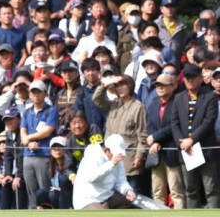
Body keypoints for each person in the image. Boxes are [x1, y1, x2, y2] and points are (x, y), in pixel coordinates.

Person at [170, 63, 220, 208]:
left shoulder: (210, 96)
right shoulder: (179, 98)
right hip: (186, 150)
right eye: (187, 78)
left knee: (211, 189)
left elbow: (208, 121)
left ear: (200, 78)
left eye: (193, 78)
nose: (190, 81)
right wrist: (181, 142)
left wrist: (191, 139)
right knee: (190, 190)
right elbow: (174, 122)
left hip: (205, 149)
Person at [93, 74, 148, 192]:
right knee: (111, 195)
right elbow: (96, 99)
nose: (119, 88)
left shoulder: (138, 107)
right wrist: (107, 83)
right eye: (117, 85)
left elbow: (142, 135)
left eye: (123, 85)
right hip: (109, 158)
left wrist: (139, 156)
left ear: (131, 86)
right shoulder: (113, 104)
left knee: (132, 196)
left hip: (128, 158)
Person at [146, 73, 185, 208]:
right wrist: (154, 140)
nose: (159, 88)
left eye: (163, 85)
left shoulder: (178, 102)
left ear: (173, 86)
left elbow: (174, 125)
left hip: (172, 151)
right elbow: (150, 125)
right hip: (156, 153)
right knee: (157, 191)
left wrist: (156, 138)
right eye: (157, 85)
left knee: (176, 191)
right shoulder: (153, 104)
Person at [20, 80, 58, 208]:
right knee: (30, 189)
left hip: (44, 154)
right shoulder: (26, 112)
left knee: (44, 188)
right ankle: (33, 211)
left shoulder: (51, 110)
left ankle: (45, 210)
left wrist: (27, 139)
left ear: (45, 94)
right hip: (28, 155)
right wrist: (28, 143)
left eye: (39, 92)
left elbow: (47, 131)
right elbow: (22, 130)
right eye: (33, 92)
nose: (36, 95)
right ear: (29, 95)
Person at [72, 134, 137, 209]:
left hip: (107, 196)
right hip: (87, 199)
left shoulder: (117, 159)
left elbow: (120, 180)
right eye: (115, 154)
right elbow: (91, 178)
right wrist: (111, 163)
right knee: (101, 214)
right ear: (106, 150)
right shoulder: (92, 155)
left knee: (131, 202)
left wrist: (127, 190)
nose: (118, 158)